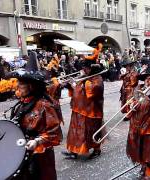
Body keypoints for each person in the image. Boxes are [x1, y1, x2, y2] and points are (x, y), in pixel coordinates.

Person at [7, 51, 63, 180]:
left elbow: (55, 133)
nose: (18, 86)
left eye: (21, 84)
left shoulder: (45, 105)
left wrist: (37, 141)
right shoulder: (22, 103)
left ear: (31, 86)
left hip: (39, 155)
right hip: (22, 151)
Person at [62, 60, 104, 159]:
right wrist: (69, 84)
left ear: (92, 68)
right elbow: (77, 89)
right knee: (76, 132)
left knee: (91, 132)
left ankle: (96, 150)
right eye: (84, 67)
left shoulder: (97, 79)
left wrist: (75, 84)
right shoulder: (85, 77)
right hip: (79, 109)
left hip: (91, 112)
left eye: (87, 68)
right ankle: (74, 151)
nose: (84, 70)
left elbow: (91, 91)